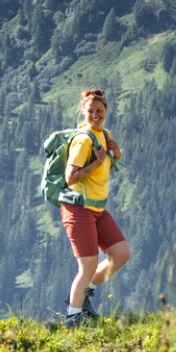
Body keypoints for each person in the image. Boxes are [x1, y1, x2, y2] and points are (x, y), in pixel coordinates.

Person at [60, 88, 130, 328]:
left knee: (121, 254)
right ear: (83, 111)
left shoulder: (104, 135)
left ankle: (83, 294)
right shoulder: (83, 139)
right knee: (88, 266)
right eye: (90, 111)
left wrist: (115, 155)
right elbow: (70, 177)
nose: (95, 115)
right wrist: (99, 161)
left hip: (97, 208)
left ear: (106, 110)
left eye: (99, 111)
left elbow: (103, 170)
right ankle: (73, 316)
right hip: (78, 208)